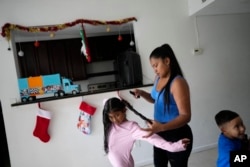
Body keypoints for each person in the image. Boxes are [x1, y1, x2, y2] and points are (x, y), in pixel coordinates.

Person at [132, 43, 193, 167]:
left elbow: (186, 116)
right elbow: (155, 99)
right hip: (159, 131)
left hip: (177, 133)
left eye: (156, 65)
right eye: (152, 66)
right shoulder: (157, 79)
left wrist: (161, 127)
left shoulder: (178, 83)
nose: (154, 69)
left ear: (167, 61)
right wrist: (142, 93)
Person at [103, 97, 190, 167]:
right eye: (111, 117)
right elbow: (105, 102)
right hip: (118, 161)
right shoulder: (110, 123)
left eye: (117, 115)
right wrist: (120, 98)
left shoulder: (131, 128)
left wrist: (174, 146)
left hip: (123, 158)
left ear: (124, 110)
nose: (114, 120)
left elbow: (153, 139)